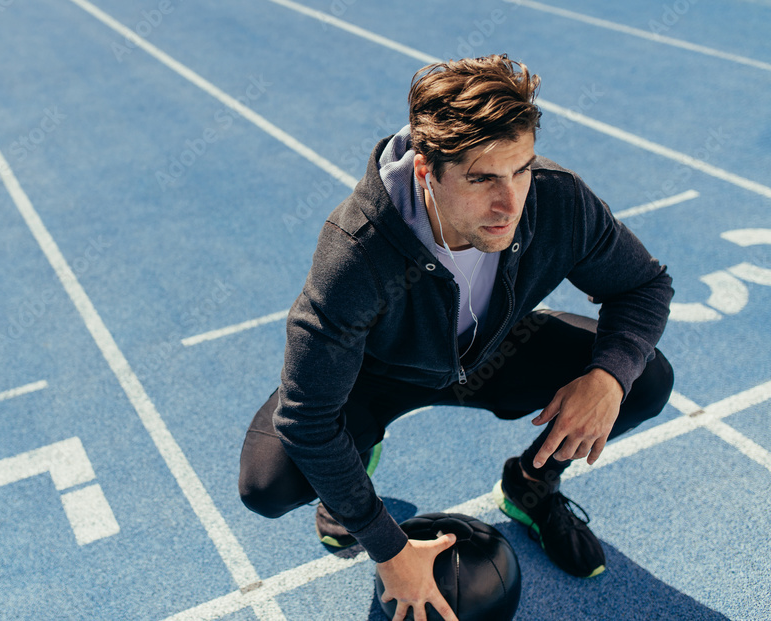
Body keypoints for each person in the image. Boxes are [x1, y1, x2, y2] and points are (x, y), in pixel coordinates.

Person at [238, 54, 674, 621]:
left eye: (520, 169)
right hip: (376, 376)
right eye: (483, 179)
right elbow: (306, 417)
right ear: (426, 170)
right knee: (268, 484)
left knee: (644, 381)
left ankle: (531, 487)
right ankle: (356, 461)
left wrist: (608, 377)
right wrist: (388, 547)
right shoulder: (357, 252)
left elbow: (644, 285)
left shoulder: (555, 200)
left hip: (496, 352)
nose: (511, 202)